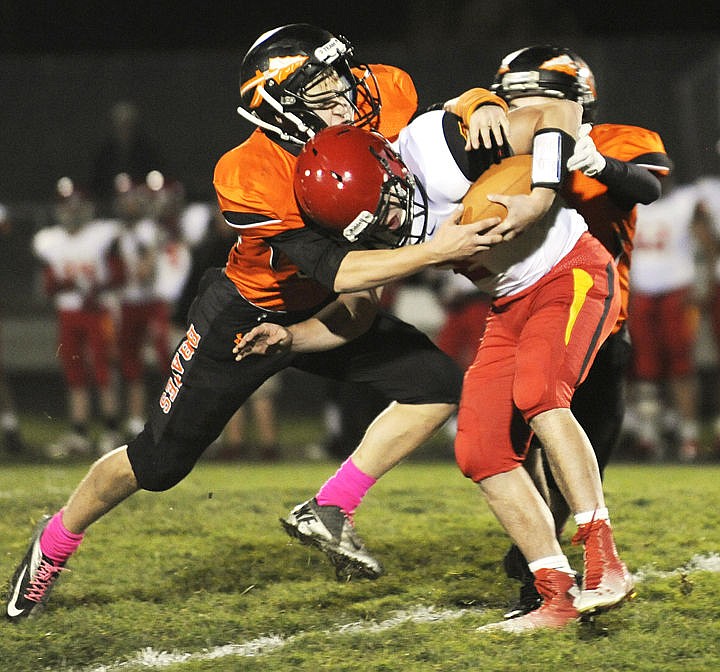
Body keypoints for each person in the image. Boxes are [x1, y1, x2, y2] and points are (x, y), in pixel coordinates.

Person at [5, 24, 506, 621]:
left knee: (436, 387)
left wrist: (481, 102)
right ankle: (52, 545)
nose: (349, 91)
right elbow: (333, 265)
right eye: (322, 87)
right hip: (249, 315)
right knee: (159, 463)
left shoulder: (381, 92)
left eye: (340, 73)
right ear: (279, 107)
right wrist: (433, 251)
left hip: (338, 304)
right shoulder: (248, 173)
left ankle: (329, 508)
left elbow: (442, 120)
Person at [237, 94, 634, 632]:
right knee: (479, 448)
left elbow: (556, 112)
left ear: (390, 166)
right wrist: (289, 338)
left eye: (389, 205)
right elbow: (353, 316)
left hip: (570, 272)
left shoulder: (437, 148)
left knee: (540, 393)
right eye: (374, 223)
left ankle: (605, 561)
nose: (393, 222)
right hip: (508, 303)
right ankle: (555, 595)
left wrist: (540, 196)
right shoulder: (375, 225)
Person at [476, 45, 672, 618]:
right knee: (510, 444)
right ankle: (537, 570)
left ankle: (556, 541)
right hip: (524, 312)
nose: (527, 113)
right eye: (514, 101)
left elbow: (647, 187)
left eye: (541, 101)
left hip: (602, 320)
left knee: (580, 463)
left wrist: (596, 165)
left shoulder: (615, 139)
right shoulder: (494, 139)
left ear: (576, 103)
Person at [32, 178, 124, 458]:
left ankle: (112, 429)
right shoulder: (51, 240)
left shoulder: (102, 234)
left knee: (104, 370)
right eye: (66, 206)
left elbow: (119, 275)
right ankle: (79, 433)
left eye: (76, 206)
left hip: (98, 311)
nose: (71, 212)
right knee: (74, 371)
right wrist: (69, 286)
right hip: (69, 312)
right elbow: (48, 285)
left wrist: (96, 289)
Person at [626, 178, 702, 462]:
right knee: (646, 369)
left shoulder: (686, 201)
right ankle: (650, 432)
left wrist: (701, 283)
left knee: (681, 366)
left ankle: (689, 433)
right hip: (643, 293)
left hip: (677, 291)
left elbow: (706, 241)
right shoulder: (631, 205)